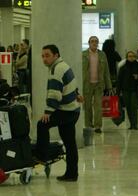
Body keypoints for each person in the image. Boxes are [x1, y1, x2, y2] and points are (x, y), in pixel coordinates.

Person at [35, 44, 83, 182]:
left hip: (66, 110)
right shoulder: (63, 65)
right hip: (73, 110)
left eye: (47, 55)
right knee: (70, 143)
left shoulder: (56, 69)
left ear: (56, 55)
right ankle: (72, 173)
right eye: (43, 56)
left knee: (42, 124)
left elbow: (54, 93)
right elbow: (71, 83)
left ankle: (41, 156)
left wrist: (48, 112)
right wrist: (77, 94)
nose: (44, 59)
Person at [82, 36, 112, 133]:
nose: (94, 43)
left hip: (99, 84)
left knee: (98, 106)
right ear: (89, 43)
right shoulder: (83, 54)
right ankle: (88, 125)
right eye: (92, 41)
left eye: (96, 41)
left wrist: (109, 86)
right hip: (87, 84)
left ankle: (98, 126)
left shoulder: (102, 55)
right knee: (87, 106)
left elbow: (106, 71)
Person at [117, 51, 138, 130]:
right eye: (129, 56)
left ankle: (135, 124)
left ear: (135, 57)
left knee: (134, 107)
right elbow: (119, 80)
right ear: (127, 57)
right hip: (125, 89)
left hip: (134, 90)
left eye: (133, 56)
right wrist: (118, 92)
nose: (131, 58)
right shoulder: (123, 67)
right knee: (128, 107)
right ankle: (132, 124)